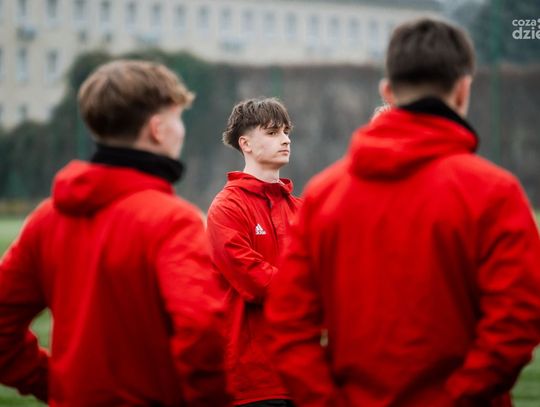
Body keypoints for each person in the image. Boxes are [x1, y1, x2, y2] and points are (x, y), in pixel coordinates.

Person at [265, 18, 540, 407]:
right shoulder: (495, 193)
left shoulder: (324, 196)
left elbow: (287, 322)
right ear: (464, 89)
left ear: (388, 92)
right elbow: (516, 321)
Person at [0, 60, 230, 406]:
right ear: (157, 129)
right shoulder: (173, 221)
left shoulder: (46, 219)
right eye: (177, 118)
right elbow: (202, 331)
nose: (181, 131)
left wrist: (57, 384)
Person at [207, 98, 301, 406]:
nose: (285, 140)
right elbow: (253, 278)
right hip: (253, 379)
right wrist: (308, 292)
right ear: (245, 144)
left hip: (303, 375)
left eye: (286, 132)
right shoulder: (227, 207)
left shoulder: (301, 210)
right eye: (273, 133)